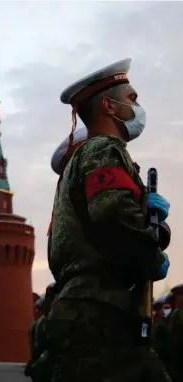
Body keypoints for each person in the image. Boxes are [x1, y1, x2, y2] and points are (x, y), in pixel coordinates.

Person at [48, 58, 172, 382]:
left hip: (88, 307)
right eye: (131, 99)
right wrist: (151, 253)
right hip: (100, 310)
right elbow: (112, 214)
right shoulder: (104, 149)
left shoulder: (86, 157)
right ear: (109, 106)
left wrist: (153, 224)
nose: (138, 107)